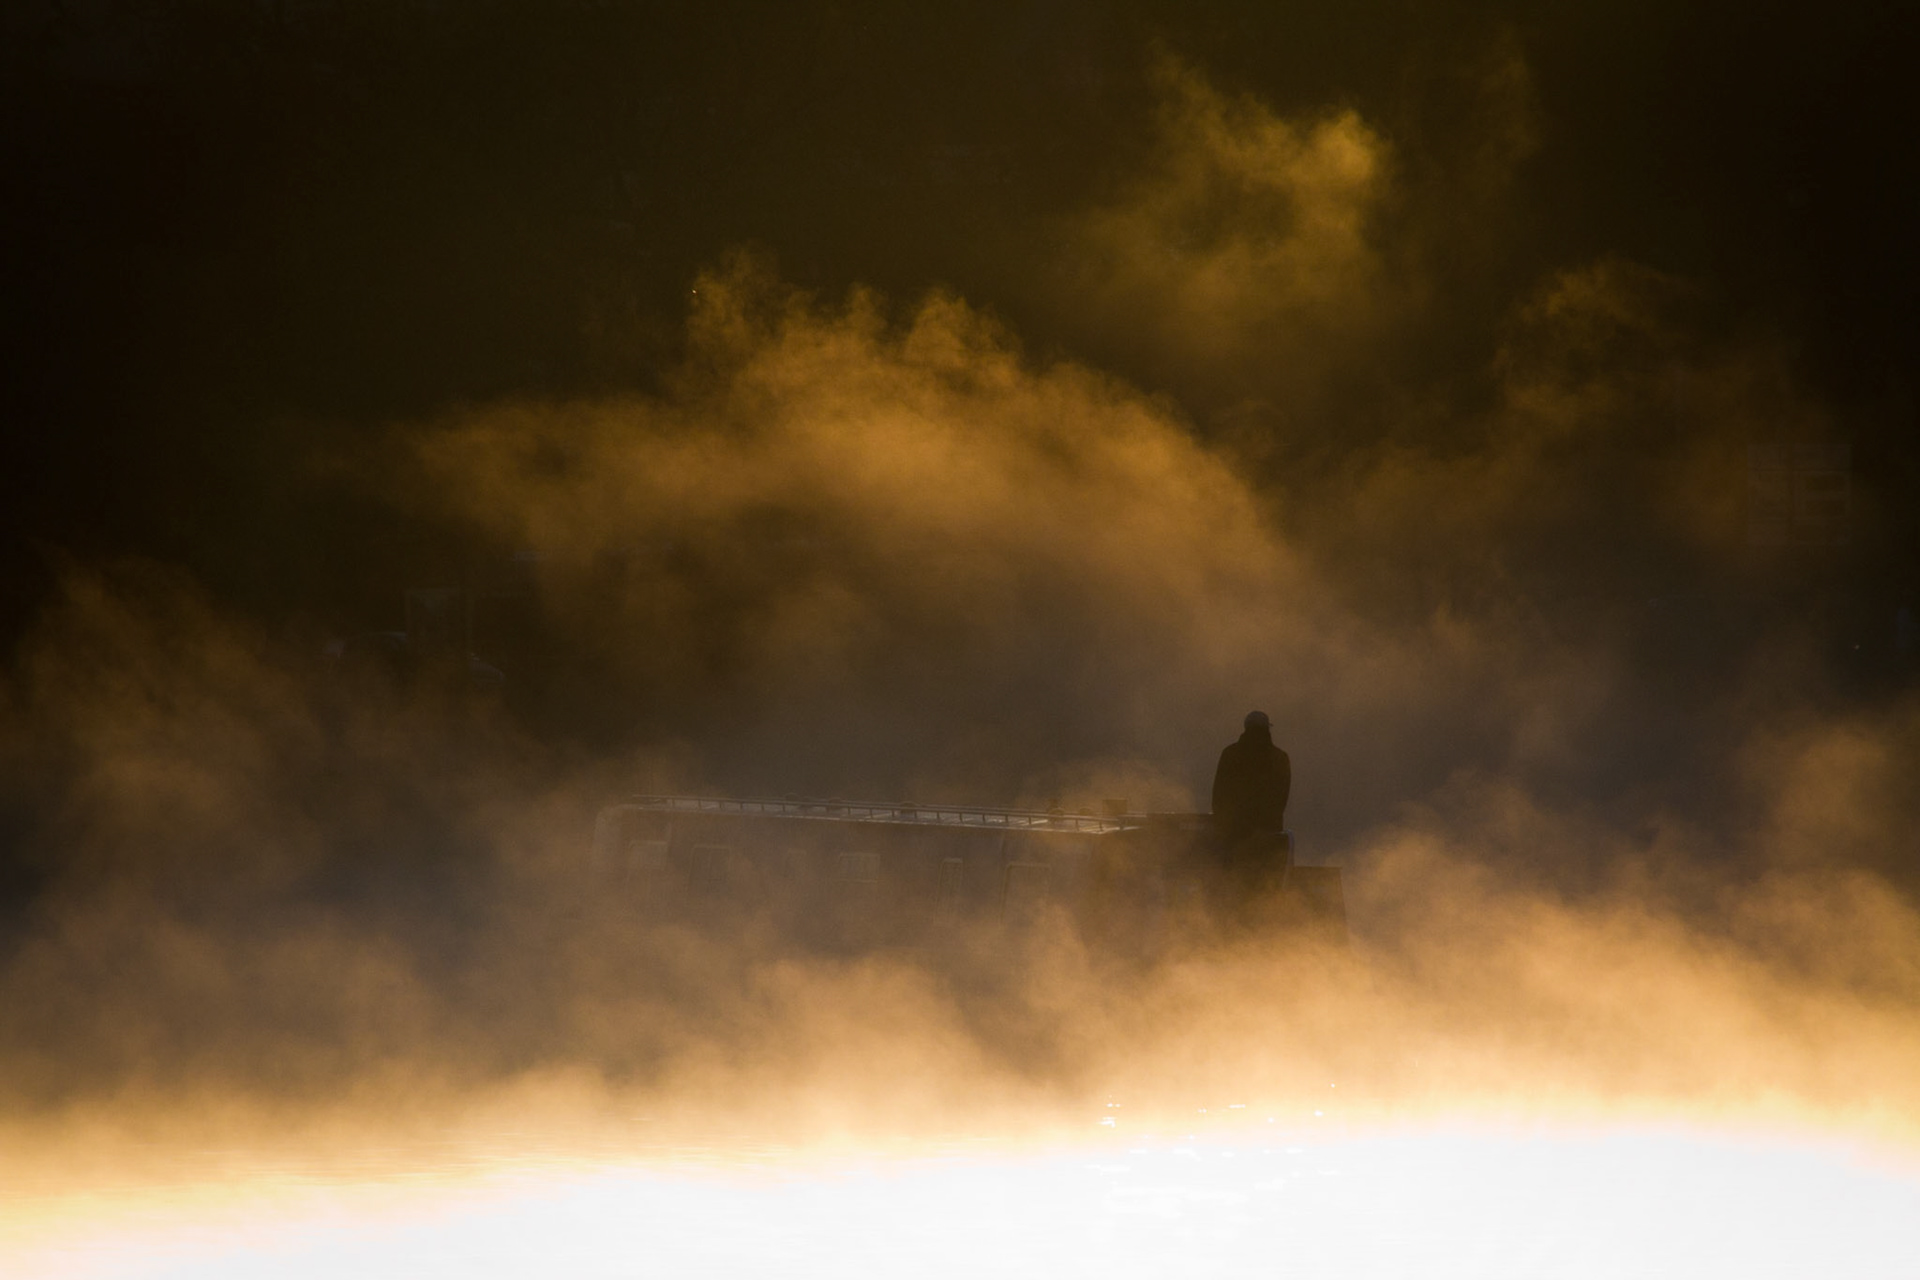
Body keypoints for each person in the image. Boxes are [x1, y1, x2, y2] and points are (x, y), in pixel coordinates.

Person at [1210, 711, 1291, 886]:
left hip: (1235, 836)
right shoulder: (1280, 758)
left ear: (1245, 728)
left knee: (1235, 887)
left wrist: (1223, 827)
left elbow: (1218, 794)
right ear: (1267, 729)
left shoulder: (1230, 754)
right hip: (1268, 835)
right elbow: (1282, 797)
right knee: (1264, 888)